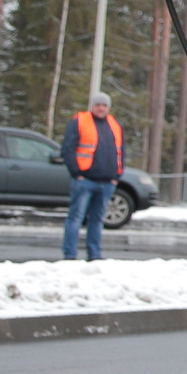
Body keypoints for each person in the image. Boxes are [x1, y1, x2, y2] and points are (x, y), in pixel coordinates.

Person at [61, 91, 123, 261]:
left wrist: (116, 176)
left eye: (104, 105)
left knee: (97, 220)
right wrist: (77, 174)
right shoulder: (79, 122)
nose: (101, 108)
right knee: (76, 218)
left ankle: (94, 254)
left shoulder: (114, 125)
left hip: (106, 182)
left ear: (108, 107)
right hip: (84, 181)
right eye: (98, 104)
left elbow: (120, 151)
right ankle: (70, 254)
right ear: (92, 106)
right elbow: (67, 149)